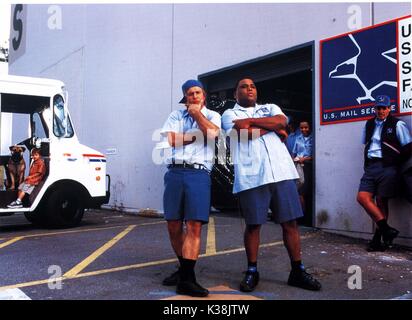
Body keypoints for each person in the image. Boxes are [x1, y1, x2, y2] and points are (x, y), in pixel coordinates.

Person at [221, 78, 321, 292]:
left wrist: (258, 123)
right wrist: (273, 128)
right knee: (254, 225)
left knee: (290, 223)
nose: (249, 88)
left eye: (252, 86)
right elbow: (243, 133)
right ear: (234, 94)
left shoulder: (270, 107)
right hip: (252, 176)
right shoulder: (230, 114)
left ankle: (297, 271)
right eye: (243, 86)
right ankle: (252, 271)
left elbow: (281, 122)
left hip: (282, 172)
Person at [160, 79, 221, 297]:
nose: (194, 97)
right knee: (174, 225)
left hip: (198, 172)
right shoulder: (175, 116)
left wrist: (197, 116)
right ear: (185, 98)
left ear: (203, 96)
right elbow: (171, 141)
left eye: (197, 93)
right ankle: (185, 271)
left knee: (194, 225)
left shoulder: (213, 115)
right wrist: (197, 135)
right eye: (189, 94)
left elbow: (214, 134)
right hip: (175, 172)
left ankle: (186, 278)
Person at [356, 95, 412, 252]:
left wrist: (394, 162)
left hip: (388, 167)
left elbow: (408, 148)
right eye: (378, 108)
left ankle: (377, 239)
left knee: (381, 202)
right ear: (375, 109)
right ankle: (387, 230)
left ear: (389, 108)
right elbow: (366, 144)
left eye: (383, 108)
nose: (380, 111)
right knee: (362, 197)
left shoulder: (397, 124)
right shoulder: (369, 124)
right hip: (371, 167)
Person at [292, 120, 313, 214]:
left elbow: (316, 155)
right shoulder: (298, 138)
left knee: (303, 191)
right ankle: (300, 214)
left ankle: (303, 214)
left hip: (308, 166)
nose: (304, 129)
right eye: (301, 128)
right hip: (298, 166)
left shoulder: (314, 138)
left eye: (306, 127)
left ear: (310, 128)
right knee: (298, 191)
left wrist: (304, 159)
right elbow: (294, 152)